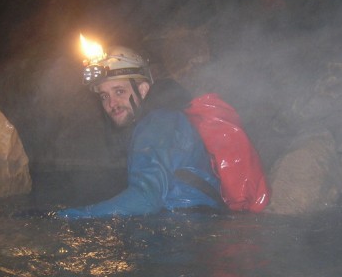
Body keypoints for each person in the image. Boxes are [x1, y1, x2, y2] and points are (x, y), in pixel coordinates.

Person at [56, 45, 222, 218]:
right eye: (104, 96)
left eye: (119, 91)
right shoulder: (165, 118)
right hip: (194, 223)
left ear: (142, 90)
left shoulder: (157, 124)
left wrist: (74, 216)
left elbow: (146, 199)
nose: (111, 104)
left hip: (189, 228)